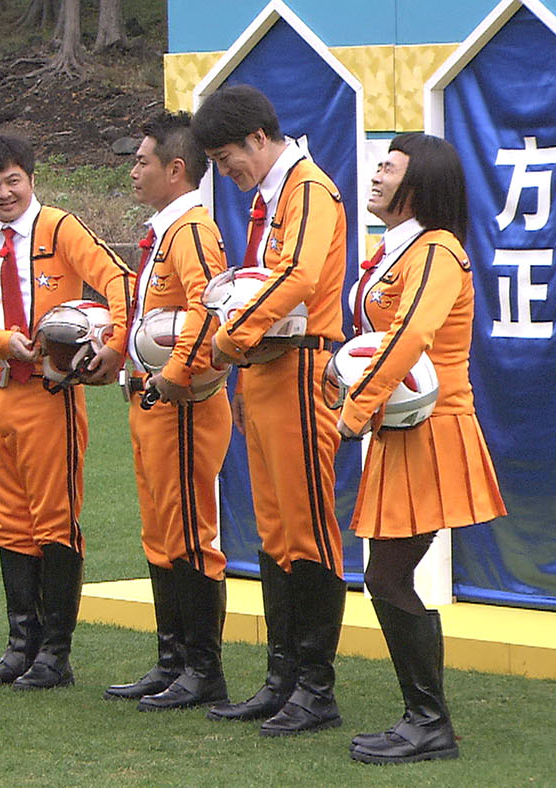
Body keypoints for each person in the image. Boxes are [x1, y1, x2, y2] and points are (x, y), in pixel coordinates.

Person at [339, 133, 506, 764]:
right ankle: (424, 719)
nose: (376, 174)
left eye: (390, 168)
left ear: (420, 185)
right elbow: (380, 339)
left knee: (386, 575)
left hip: (432, 430)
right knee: (385, 575)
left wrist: (354, 410)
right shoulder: (399, 248)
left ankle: (430, 724)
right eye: (379, 164)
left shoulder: (436, 251)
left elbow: (411, 335)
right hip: (404, 426)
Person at [0, 134, 133, 690]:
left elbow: (119, 279)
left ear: (31, 179)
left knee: (54, 519)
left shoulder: (60, 228)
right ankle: (19, 647)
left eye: (13, 181)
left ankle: (56, 653)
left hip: (51, 396)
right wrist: (2, 340)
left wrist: (114, 344)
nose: (4, 193)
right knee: (9, 521)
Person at [192, 84, 348, 736]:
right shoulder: (272, 196)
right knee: (277, 532)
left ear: (259, 137)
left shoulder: (308, 189)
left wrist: (230, 337)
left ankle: (315, 688)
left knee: (307, 529)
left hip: (300, 369)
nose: (225, 171)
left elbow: (301, 278)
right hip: (266, 372)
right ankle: (283, 680)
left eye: (226, 157)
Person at [104, 112, 233, 711]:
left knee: (188, 534)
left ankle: (203, 669)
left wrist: (176, 375)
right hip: (149, 401)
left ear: (175, 169)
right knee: (160, 532)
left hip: (178, 405)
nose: (133, 171)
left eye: (141, 161)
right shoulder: (166, 230)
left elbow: (208, 308)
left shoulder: (191, 231)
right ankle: (172, 660)